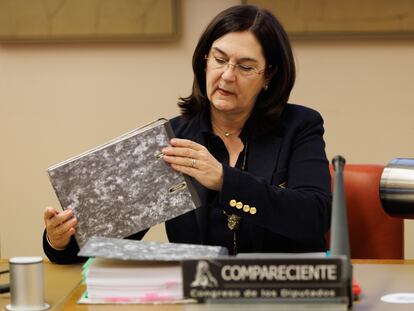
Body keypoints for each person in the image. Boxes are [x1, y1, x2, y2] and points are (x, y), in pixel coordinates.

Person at [43, 4, 331, 264]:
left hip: (284, 292)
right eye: (219, 59)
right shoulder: (175, 138)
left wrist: (224, 179)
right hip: (198, 295)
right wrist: (61, 242)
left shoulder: (300, 126)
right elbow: (111, 238)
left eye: (245, 67)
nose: (228, 75)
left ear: (269, 76)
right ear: (204, 61)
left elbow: (315, 217)